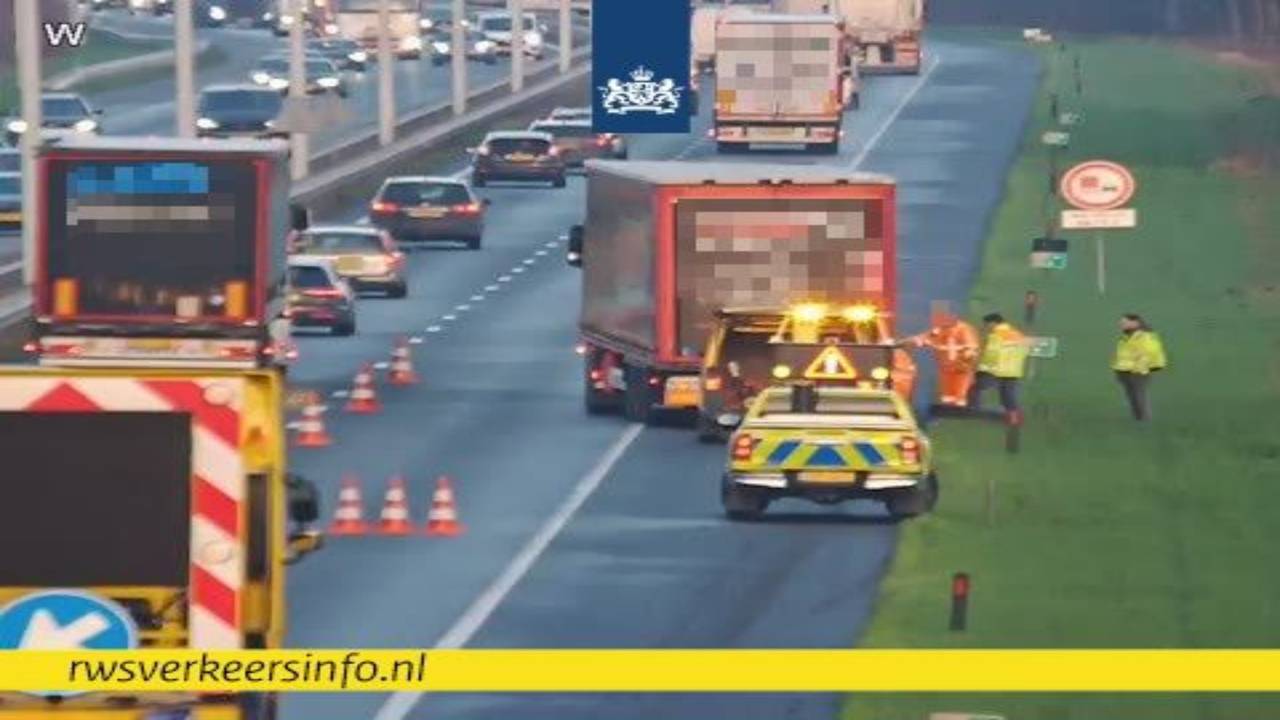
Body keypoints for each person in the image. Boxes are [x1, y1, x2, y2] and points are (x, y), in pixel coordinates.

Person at [910, 309, 980, 408]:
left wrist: (969, 354)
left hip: (960, 363)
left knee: (961, 383)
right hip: (945, 364)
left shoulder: (964, 328)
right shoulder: (940, 329)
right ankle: (949, 403)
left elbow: (971, 345)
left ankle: (960, 402)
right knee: (946, 386)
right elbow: (927, 336)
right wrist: (919, 340)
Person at [970, 312, 1029, 416]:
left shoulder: (996, 336)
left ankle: (973, 410)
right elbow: (1024, 351)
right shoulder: (1018, 334)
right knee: (1008, 396)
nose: (986, 327)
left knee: (975, 388)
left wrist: (980, 369)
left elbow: (991, 354)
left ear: (993, 323)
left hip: (995, 370)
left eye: (986, 324)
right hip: (1013, 371)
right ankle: (1014, 417)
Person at [1111, 313, 1167, 421]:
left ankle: (1145, 419)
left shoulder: (1144, 336)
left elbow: (1150, 351)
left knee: (1139, 396)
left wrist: (1139, 368)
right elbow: (1123, 353)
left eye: (1124, 322)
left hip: (1137, 372)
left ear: (1135, 323)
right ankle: (1138, 419)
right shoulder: (1126, 336)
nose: (1121, 324)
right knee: (1132, 397)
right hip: (1125, 371)